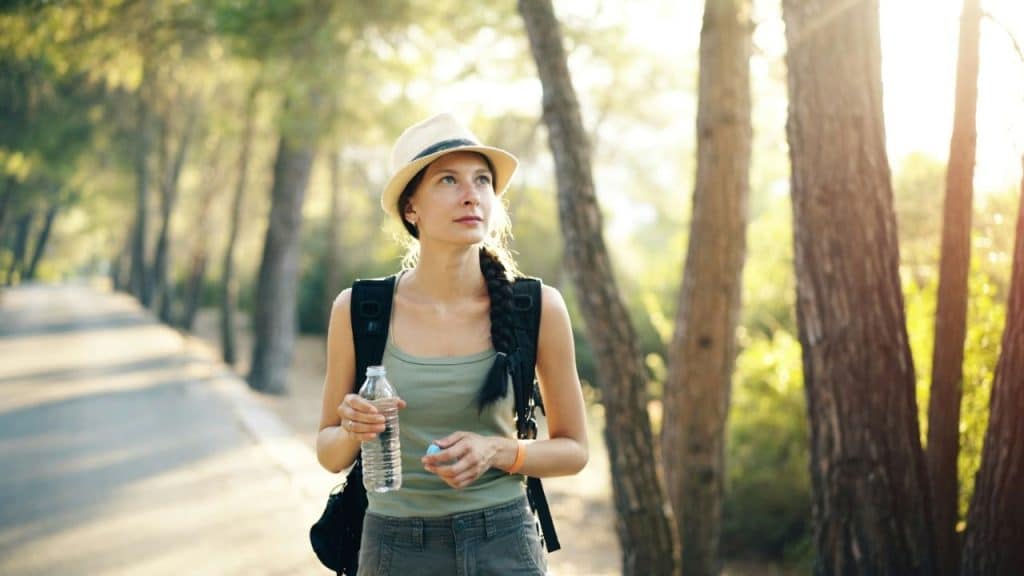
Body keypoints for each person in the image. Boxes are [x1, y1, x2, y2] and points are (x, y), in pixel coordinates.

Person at [316, 113, 589, 575]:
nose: (471, 195)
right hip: (393, 547)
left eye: (482, 180)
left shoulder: (537, 307)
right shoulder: (359, 309)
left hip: (505, 544)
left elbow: (575, 450)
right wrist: (351, 430)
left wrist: (498, 452)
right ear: (410, 208)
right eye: (448, 180)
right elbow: (329, 453)